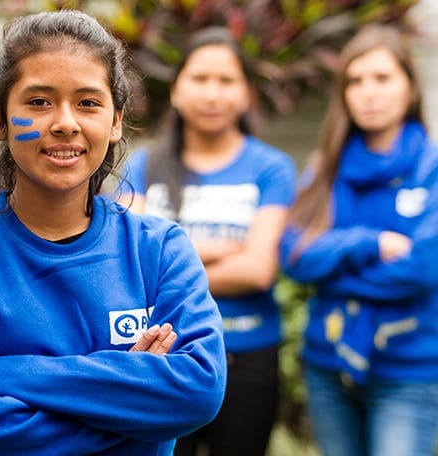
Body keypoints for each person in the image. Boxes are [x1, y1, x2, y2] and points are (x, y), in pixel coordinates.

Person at [0, 10, 227, 456]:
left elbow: (199, 389)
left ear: (115, 122)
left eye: (88, 103)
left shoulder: (159, 250)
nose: (65, 122)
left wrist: (3, 374)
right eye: (38, 102)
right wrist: (133, 401)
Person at [118, 27, 296, 456]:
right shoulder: (144, 165)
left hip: (247, 358)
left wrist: (173, 260)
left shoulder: (271, 168)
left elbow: (257, 269)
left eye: (226, 80)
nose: (212, 94)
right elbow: (131, 263)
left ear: (246, 93)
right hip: (164, 358)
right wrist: (221, 251)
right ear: (177, 90)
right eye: (200, 79)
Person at [280, 24, 438, 456]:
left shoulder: (431, 167)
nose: (368, 92)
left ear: (409, 86)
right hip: (327, 365)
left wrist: (331, 271)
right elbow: (293, 255)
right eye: (355, 80)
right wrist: (368, 243)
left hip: (408, 370)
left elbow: (422, 269)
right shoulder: (326, 168)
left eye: (382, 78)